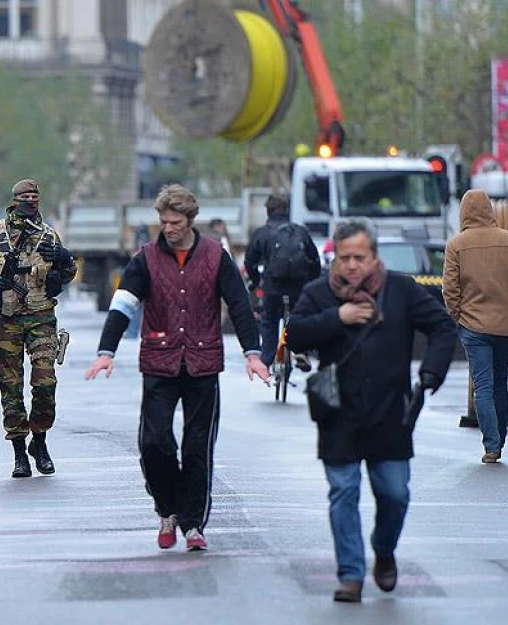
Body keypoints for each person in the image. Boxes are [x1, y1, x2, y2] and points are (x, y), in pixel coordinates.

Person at [85, 184, 269, 552]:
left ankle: (193, 525)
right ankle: (166, 508)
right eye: (163, 221)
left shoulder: (216, 257)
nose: (168, 228)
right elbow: (122, 306)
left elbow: (238, 304)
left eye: (175, 222)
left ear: (190, 221)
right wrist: (106, 351)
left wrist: (253, 353)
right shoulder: (146, 259)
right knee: (154, 443)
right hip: (159, 361)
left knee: (198, 447)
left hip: (202, 365)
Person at [287, 219, 456, 603]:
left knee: (394, 494)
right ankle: (350, 574)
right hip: (338, 416)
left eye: (359, 257)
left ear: (374, 256)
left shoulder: (401, 289)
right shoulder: (319, 293)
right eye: (344, 257)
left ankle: (383, 549)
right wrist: (337, 318)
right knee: (343, 491)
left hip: (389, 414)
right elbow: (293, 334)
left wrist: (429, 375)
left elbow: (443, 328)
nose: (351, 265)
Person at [0, 178, 77, 478]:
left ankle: (39, 441)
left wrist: (65, 260)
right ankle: (19, 452)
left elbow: (67, 274)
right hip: (6, 319)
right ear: (14, 200)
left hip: (41, 316)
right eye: (25, 196)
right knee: (10, 389)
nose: (31, 201)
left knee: (45, 384)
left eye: (35, 196)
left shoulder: (49, 236)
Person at [442, 189, 508, 464]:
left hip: (472, 327)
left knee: (482, 385)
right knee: (499, 383)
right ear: (490, 210)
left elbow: (450, 290)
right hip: (506, 326)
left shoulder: (456, 245)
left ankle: (491, 445)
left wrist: (458, 316)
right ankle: (501, 436)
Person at [243, 194, 320, 370]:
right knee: (299, 316)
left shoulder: (262, 233)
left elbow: (250, 262)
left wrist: (255, 281)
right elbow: (314, 260)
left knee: (269, 319)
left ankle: (268, 357)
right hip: (298, 286)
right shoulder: (300, 231)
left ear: (268, 211)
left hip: (273, 286)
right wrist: (312, 283)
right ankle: (300, 351)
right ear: (287, 210)